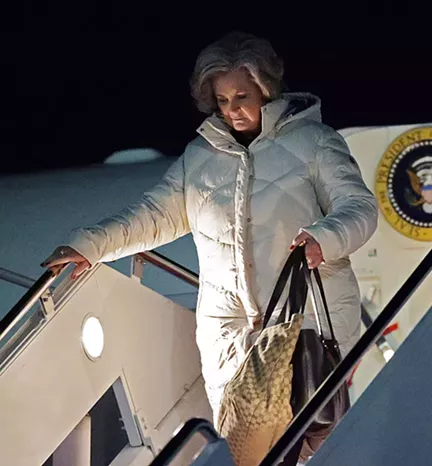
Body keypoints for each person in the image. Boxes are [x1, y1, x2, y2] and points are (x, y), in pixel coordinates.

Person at [41, 31, 378, 427]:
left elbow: (359, 207)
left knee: (312, 438)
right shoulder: (200, 157)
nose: (233, 110)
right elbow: (153, 215)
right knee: (248, 447)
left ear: (266, 90)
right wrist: (90, 246)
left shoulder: (314, 142)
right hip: (229, 335)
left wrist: (324, 237)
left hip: (303, 321)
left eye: (242, 97)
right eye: (222, 100)